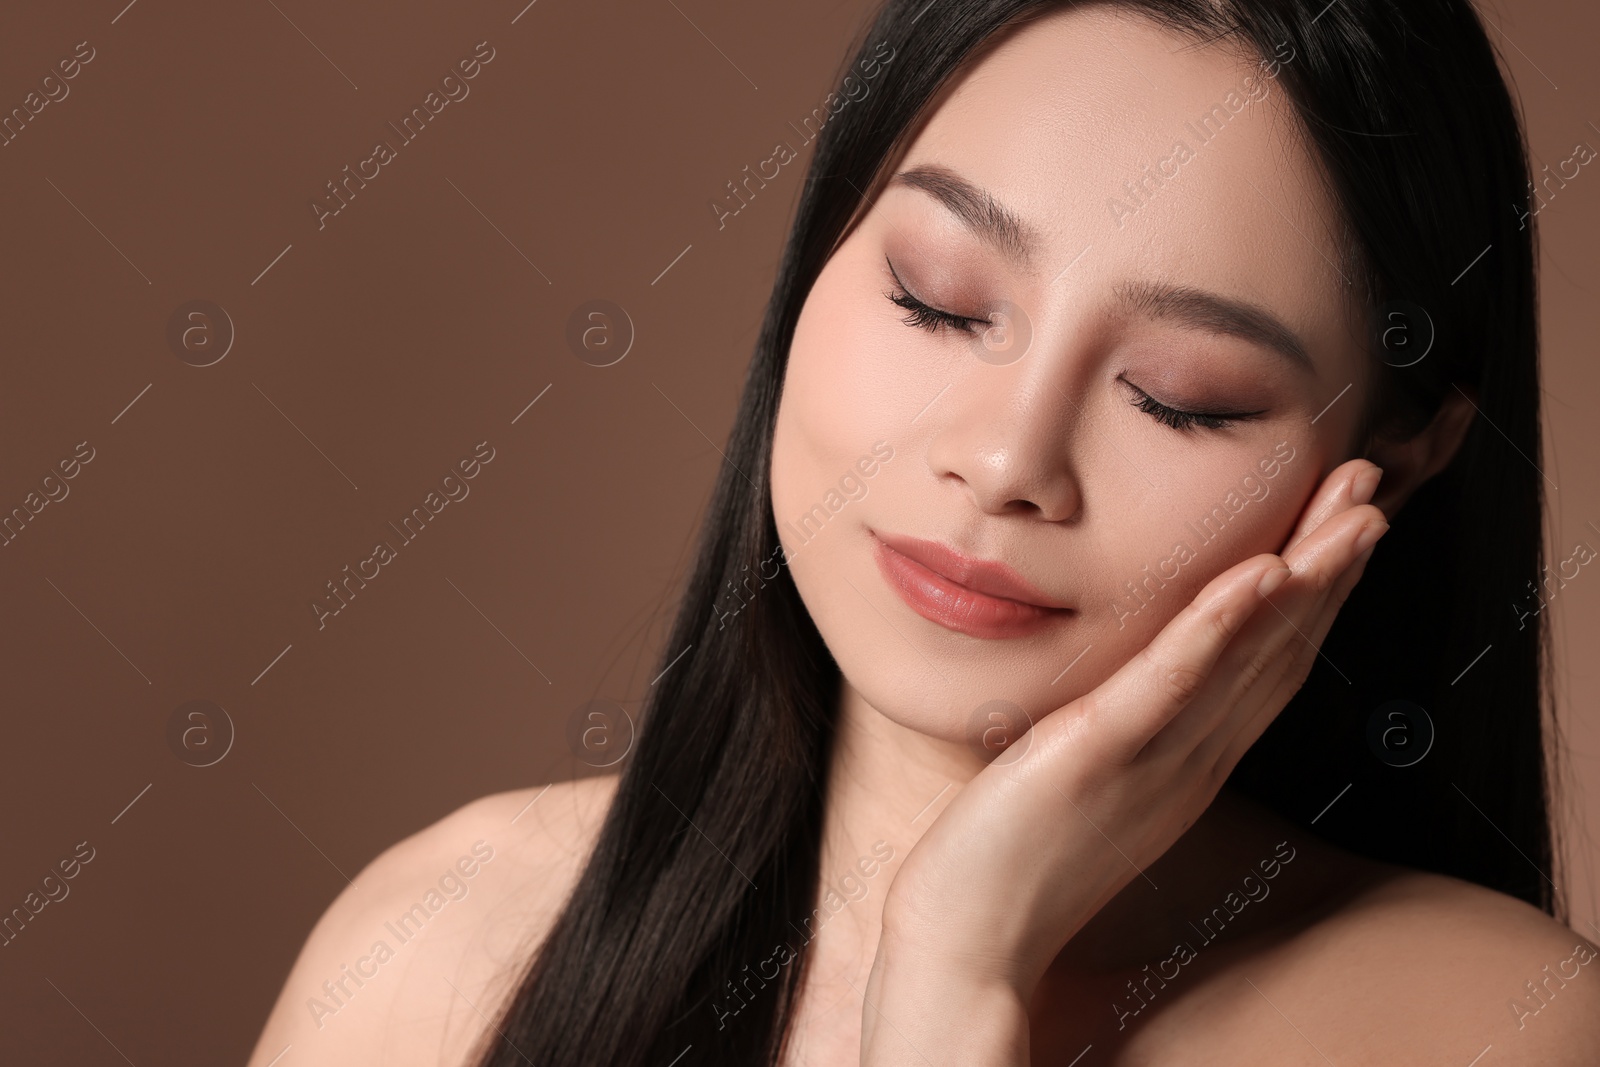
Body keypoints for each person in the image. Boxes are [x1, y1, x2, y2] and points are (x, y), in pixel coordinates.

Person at [248, 1, 1600, 1064]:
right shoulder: (437, 944)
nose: (1008, 459)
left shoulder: (1494, 1027)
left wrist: (962, 967)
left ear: (1395, 462)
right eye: (939, 300)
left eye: (1180, 399)